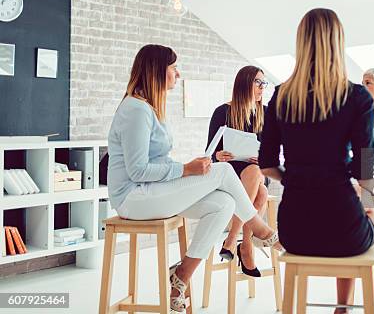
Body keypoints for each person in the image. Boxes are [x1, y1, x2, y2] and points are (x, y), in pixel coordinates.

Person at [258, 9, 374, 314]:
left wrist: (294, 178)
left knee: (360, 213)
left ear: (301, 43)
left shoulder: (281, 96)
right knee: (367, 215)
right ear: (337, 43)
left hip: (293, 231)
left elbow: (265, 164)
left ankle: (356, 303)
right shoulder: (356, 97)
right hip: (343, 228)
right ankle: (372, 297)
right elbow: (363, 171)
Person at [106, 44, 281, 313]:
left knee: (224, 203)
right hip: (133, 198)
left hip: (152, 191)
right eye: (174, 67)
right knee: (221, 171)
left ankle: (182, 275)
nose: (178, 73)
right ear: (157, 71)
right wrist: (186, 170)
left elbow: (158, 164)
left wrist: (186, 168)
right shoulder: (136, 110)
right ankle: (260, 229)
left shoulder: (150, 109)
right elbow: (137, 171)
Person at [207, 65, 270, 277]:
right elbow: (209, 152)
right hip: (229, 171)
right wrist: (218, 155)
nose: (262, 87)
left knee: (255, 172)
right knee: (260, 193)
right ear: (245, 84)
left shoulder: (266, 112)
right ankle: (246, 245)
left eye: (264, 83)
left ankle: (232, 239)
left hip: (256, 171)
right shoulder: (222, 112)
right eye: (258, 82)